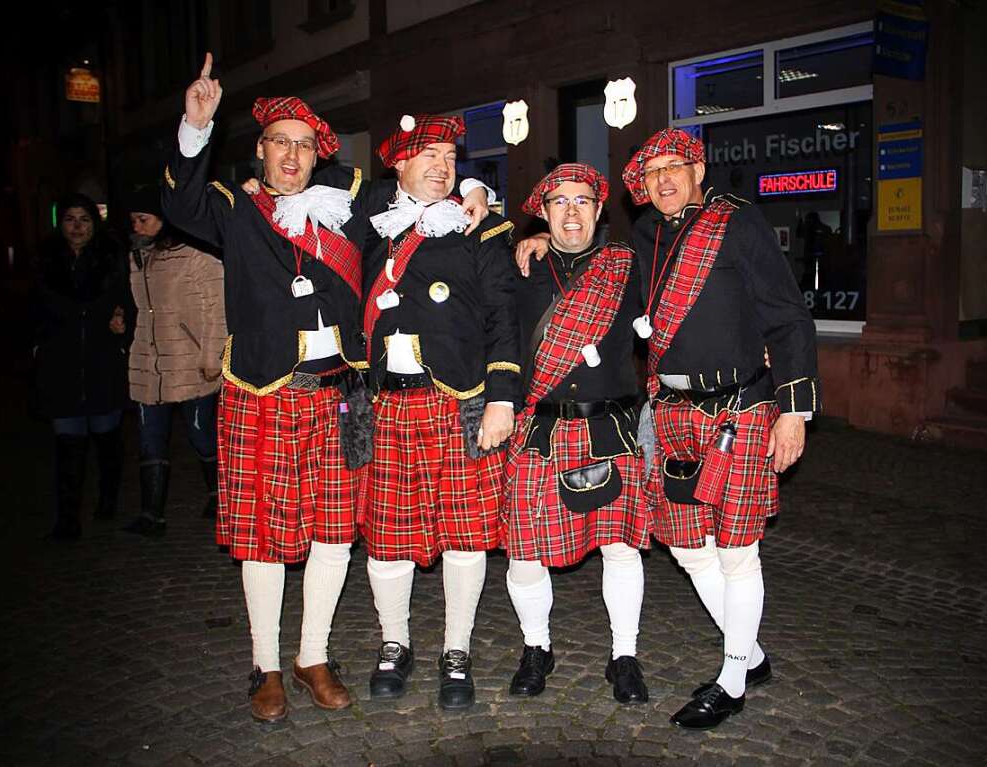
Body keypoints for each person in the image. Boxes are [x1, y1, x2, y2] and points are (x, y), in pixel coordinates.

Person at [163, 55, 493, 723]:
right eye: (278, 142)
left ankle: (313, 654)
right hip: (262, 390)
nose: (291, 155)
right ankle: (265, 664)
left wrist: (478, 188)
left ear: (319, 155)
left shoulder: (350, 205)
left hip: (342, 394)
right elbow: (178, 202)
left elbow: (424, 186)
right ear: (259, 150)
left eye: (304, 144)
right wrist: (194, 129)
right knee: (261, 537)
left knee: (335, 534)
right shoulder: (233, 206)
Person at [620, 128, 820, 729]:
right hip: (673, 413)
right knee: (685, 545)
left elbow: (788, 318)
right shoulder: (643, 236)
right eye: (651, 172)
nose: (663, 179)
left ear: (699, 169)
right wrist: (530, 247)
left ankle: (732, 677)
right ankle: (752, 652)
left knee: (737, 551)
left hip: (742, 411)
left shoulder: (738, 223)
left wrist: (794, 410)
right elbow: (611, 297)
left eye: (673, 166)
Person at [359, 114, 521, 711]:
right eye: (426, 156)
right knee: (387, 536)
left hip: (460, 400)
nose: (442, 167)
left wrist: (502, 396)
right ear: (396, 165)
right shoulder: (367, 221)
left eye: (451, 158)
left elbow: (505, 316)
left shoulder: (478, 227)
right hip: (385, 402)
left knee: (466, 531)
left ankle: (457, 648)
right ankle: (394, 641)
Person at [502, 163, 650, 704]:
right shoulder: (518, 268)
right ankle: (537, 647)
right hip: (539, 428)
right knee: (524, 551)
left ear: (598, 211)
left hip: (610, 426)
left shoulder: (626, 266)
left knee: (621, 548)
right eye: (559, 202)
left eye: (583, 201)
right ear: (542, 213)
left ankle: (624, 656)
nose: (571, 212)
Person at [123, 185, 226, 537]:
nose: (137, 226)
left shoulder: (197, 256)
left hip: (190, 363)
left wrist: (213, 356)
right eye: (133, 220)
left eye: (144, 219)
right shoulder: (137, 258)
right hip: (148, 364)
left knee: (201, 434)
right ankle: (151, 513)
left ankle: (218, 495)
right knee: (150, 438)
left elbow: (217, 309)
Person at [33, 192, 130, 540]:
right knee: (68, 442)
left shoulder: (112, 259)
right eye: (71, 219)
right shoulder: (47, 261)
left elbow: (127, 302)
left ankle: (108, 497)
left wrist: (121, 321)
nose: (77, 227)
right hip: (62, 366)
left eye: (84, 220)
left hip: (102, 363)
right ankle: (67, 517)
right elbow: (35, 313)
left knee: (106, 437)